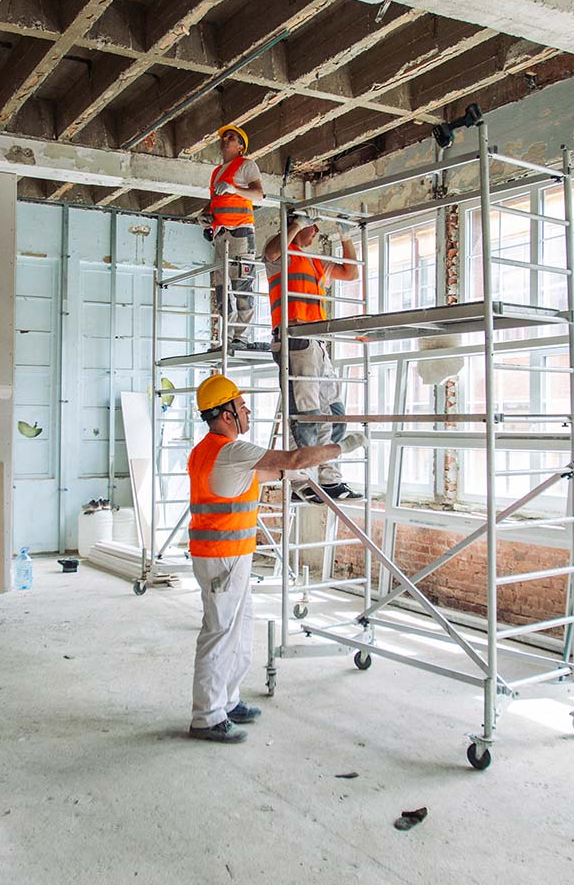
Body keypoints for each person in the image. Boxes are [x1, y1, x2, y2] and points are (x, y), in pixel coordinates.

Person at [186, 373, 348, 743]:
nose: (247, 412)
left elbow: (274, 471)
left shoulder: (209, 452)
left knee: (239, 629)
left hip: (230, 555)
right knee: (220, 633)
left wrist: (295, 470)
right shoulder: (230, 450)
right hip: (222, 557)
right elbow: (289, 459)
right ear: (226, 414)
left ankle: (228, 701)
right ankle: (206, 717)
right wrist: (339, 448)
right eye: (241, 407)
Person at [262, 211, 362, 501]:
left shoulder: (314, 261)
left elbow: (351, 272)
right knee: (304, 414)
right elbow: (270, 251)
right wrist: (297, 224)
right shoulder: (283, 251)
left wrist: (346, 237)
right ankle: (302, 481)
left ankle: (329, 479)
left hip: (316, 341)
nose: (315, 233)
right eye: (312, 227)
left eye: (316, 228)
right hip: (293, 337)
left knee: (333, 410)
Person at [204, 126, 262, 350]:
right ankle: (226, 339)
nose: (225, 139)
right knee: (222, 291)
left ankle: (242, 338)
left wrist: (234, 189)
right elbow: (215, 201)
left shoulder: (247, 165)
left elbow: (258, 194)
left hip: (240, 232)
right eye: (224, 137)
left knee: (242, 286)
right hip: (221, 234)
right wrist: (206, 214)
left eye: (231, 137)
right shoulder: (217, 172)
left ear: (241, 147)